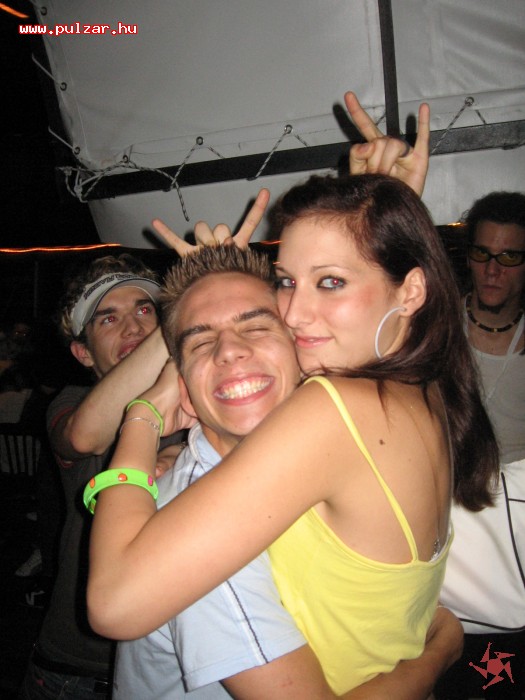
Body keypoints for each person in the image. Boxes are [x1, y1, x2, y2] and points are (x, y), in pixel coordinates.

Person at [86, 172, 499, 694]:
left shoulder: (333, 409)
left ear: (412, 290)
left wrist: (143, 416)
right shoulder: (428, 389)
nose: (295, 315)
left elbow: (114, 602)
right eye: (287, 281)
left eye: (330, 282)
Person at [18, 253, 183, 700]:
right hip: (74, 673)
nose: (134, 327)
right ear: (83, 352)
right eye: (109, 318)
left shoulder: (204, 405)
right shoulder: (71, 402)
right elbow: (86, 435)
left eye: (145, 310)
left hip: (171, 673)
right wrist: (182, 314)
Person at [436, 191, 525, 699]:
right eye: (482, 253)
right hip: (444, 529)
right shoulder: (436, 331)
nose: (493, 270)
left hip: (513, 540)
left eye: (510, 256)